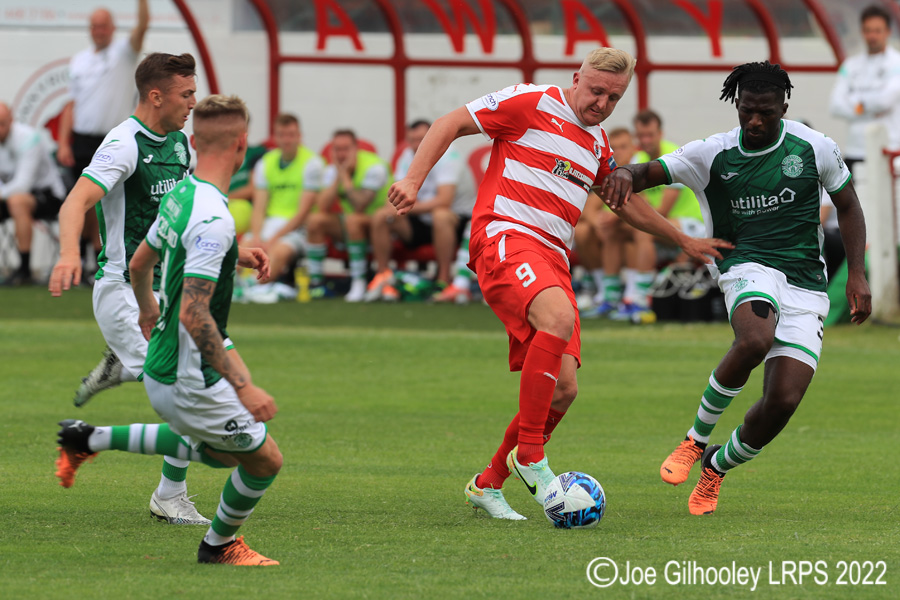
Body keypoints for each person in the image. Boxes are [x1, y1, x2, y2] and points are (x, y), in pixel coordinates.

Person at [388, 48, 727, 520]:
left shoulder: (598, 144)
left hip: (552, 258)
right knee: (559, 318)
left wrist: (683, 239)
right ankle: (529, 454)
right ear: (576, 78)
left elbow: (623, 202)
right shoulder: (530, 102)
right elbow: (450, 123)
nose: (603, 103)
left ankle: (488, 483)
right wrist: (413, 178)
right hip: (505, 234)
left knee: (563, 389)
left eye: (614, 96)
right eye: (595, 91)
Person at [600, 61, 871, 515]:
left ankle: (714, 468)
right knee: (755, 339)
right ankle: (693, 440)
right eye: (747, 110)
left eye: (765, 111)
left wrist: (858, 273)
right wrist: (626, 173)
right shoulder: (713, 153)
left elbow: (849, 204)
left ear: (784, 105)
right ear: (737, 105)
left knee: (782, 402)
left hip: (805, 283)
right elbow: (650, 172)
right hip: (745, 265)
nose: (755, 121)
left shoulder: (814, 147)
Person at [55, 93, 282, 565]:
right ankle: (218, 547)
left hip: (164, 365)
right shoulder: (216, 216)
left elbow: (142, 262)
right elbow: (195, 316)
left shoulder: (183, 194)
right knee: (265, 461)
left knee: (221, 454)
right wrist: (246, 385)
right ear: (243, 145)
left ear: (193, 142)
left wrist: (146, 310)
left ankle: (88, 438)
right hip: (186, 374)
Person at [48, 53, 211, 526]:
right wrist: (66, 253)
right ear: (155, 95)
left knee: (196, 383)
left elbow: (185, 213)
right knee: (187, 390)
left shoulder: (180, 143)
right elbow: (76, 201)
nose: (193, 103)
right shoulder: (123, 143)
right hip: (123, 290)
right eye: (186, 94)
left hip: (165, 289)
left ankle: (120, 370)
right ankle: (168, 495)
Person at [57, 0, 150, 273]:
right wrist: (64, 142)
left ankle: (104, 257)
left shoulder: (124, 53)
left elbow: (143, 26)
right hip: (82, 140)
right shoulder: (80, 60)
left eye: (103, 26)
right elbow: (71, 104)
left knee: (108, 201)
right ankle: (84, 259)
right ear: (90, 29)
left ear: (113, 28)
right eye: (95, 26)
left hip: (113, 140)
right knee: (83, 201)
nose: (99, 30)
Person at [367, 120, 473, 302]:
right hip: (420, 218)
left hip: (456, 221)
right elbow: (396, 193)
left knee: (440, 215)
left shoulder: (449, 156)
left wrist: (405, 205)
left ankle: (443, 280)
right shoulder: (407, 155)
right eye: (413, 139)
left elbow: (444, 200)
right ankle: (383, 277)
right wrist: (391, 208)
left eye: (421, 139)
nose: (417, 144)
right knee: (381, 216)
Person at [242, 113, 324, 302]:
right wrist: (256, 235)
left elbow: (303, 212)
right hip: (270, 224)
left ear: (299, 136)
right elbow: (259, 206)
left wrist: (272, 239)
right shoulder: (266, 162)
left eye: (291, 134)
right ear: (276, 137)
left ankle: (254, 288)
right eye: (282, 135)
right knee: (242, 249)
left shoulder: (312, 163)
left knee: (278, 253)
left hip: (296, 229)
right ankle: (252, 288)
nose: (287, 140)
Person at [306, 129, 391, 302]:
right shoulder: (332, 170)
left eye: (346, 149)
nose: (341, 154)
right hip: (353, 224)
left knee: (353, 220)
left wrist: (344, 176)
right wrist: (339, 176)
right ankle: (316, 283)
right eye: (337, 149)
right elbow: (322, 206)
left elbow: (360, 205)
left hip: (384, 223)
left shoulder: (375, 167)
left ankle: (358, 282)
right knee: (315, 220)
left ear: (356, 149)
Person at [0, 102, 68, 285]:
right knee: (14, 200)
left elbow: (23, 184)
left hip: (48, 196)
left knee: (17, 201)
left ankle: (24, 270)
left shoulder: (28, 138)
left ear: (11, 120)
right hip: (9, 196)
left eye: (1, 124)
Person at [829, 4, 900, 174]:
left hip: (888, 149)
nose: (872, 36)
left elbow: (885, 100)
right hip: (855, 149)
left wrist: (853, 102)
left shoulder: (896, 62)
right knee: (855, 200)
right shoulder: (851, 65)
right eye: (868, 30)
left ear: (888, 32)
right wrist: (867, 106)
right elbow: (835, 105)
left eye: (877, 30)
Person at [575, 127, 636, 314]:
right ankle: (604, 292)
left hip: (645, 232)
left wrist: (611, 221)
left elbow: (646, 211)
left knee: (624, 233)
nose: (618, 152)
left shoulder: (641, 166)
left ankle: (634, 298)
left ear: (634, 148)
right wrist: (599, 224)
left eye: (624, 147)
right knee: (582, 230)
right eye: (614, 148)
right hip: (617, 230)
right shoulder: (609, 168)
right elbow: (589, 209)